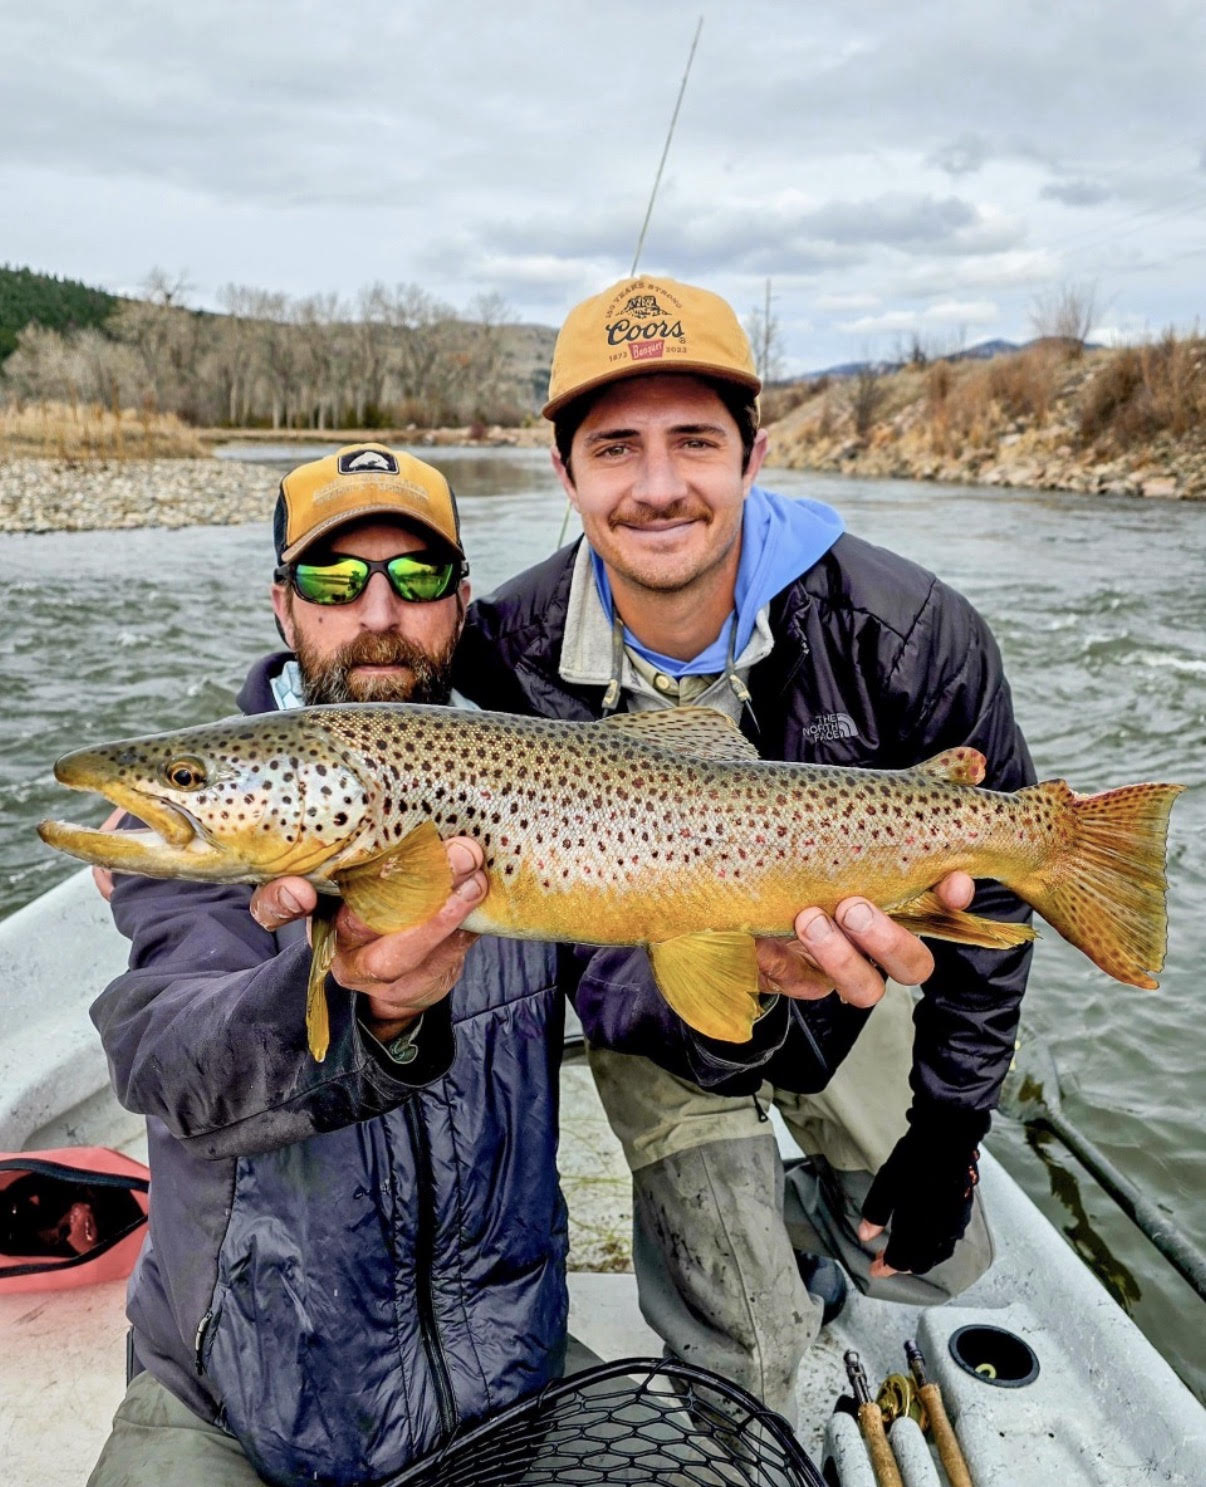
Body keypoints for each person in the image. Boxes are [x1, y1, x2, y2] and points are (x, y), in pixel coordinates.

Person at [86, 443, 860, 1487]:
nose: (377, 611)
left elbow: (642, 1006)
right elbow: (163, 1056)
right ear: (282, 603)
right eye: (332, 578)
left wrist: (763, 974)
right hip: (241, 1404)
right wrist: (358, 1006)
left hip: (509, 1390)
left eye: (416, 577)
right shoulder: (210, 812)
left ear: (458, 602)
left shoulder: (528, 776)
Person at [455, 275, 1035, 1423]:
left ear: (753, 455)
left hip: (856, 986)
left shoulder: (911, 633)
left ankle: (809, 1203)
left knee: (938, 1259)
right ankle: (726, 1210)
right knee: (751, 1339)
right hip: (655, 996)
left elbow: (1001, 885)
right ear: (564, 473)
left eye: (695, 440)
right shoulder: (508, 648)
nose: (657, 484)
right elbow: (378, 730)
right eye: (615, 446)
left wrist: (952, 1118)